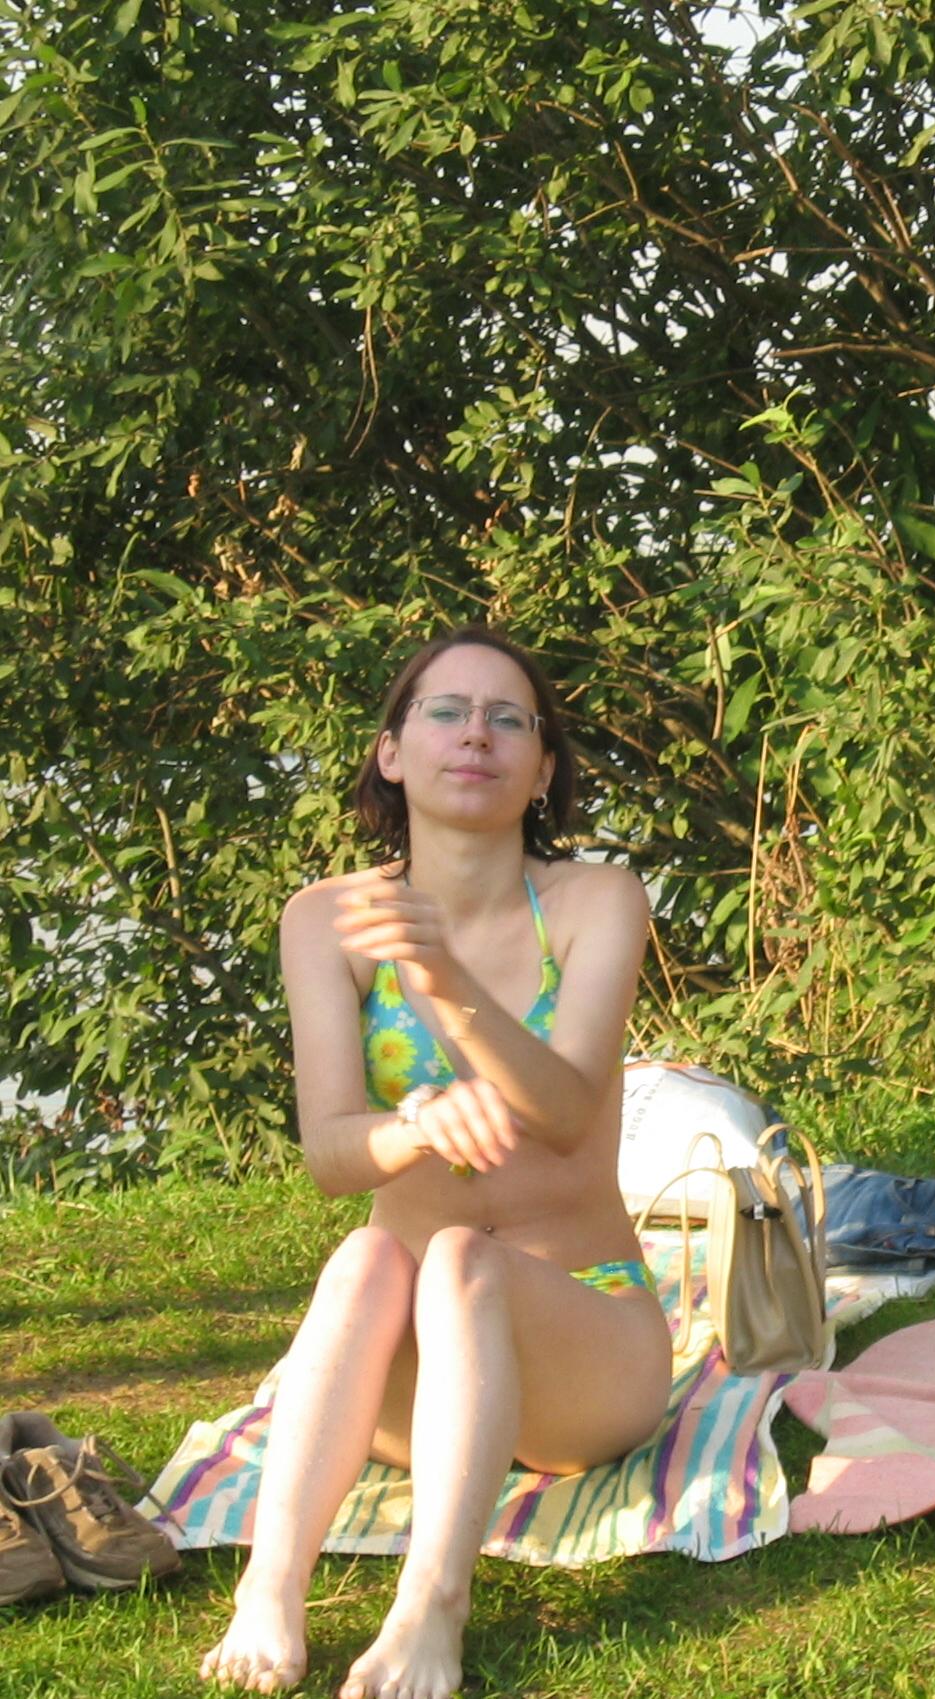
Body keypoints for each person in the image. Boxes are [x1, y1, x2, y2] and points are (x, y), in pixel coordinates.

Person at [201, 626, 669, 1699]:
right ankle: (271, 1587)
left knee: (461, 1257)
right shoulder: (326, 918)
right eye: (446, 712)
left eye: (509, 719)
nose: (476, 734)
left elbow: (564, 1114)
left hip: (585, 1345)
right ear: (393, 751)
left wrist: (443, 977)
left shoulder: (597, 901)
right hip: (408, 1377)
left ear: (542, 771)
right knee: (367, 1260)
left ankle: (431, 1605)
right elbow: (332, 1154)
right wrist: (417, 1124)